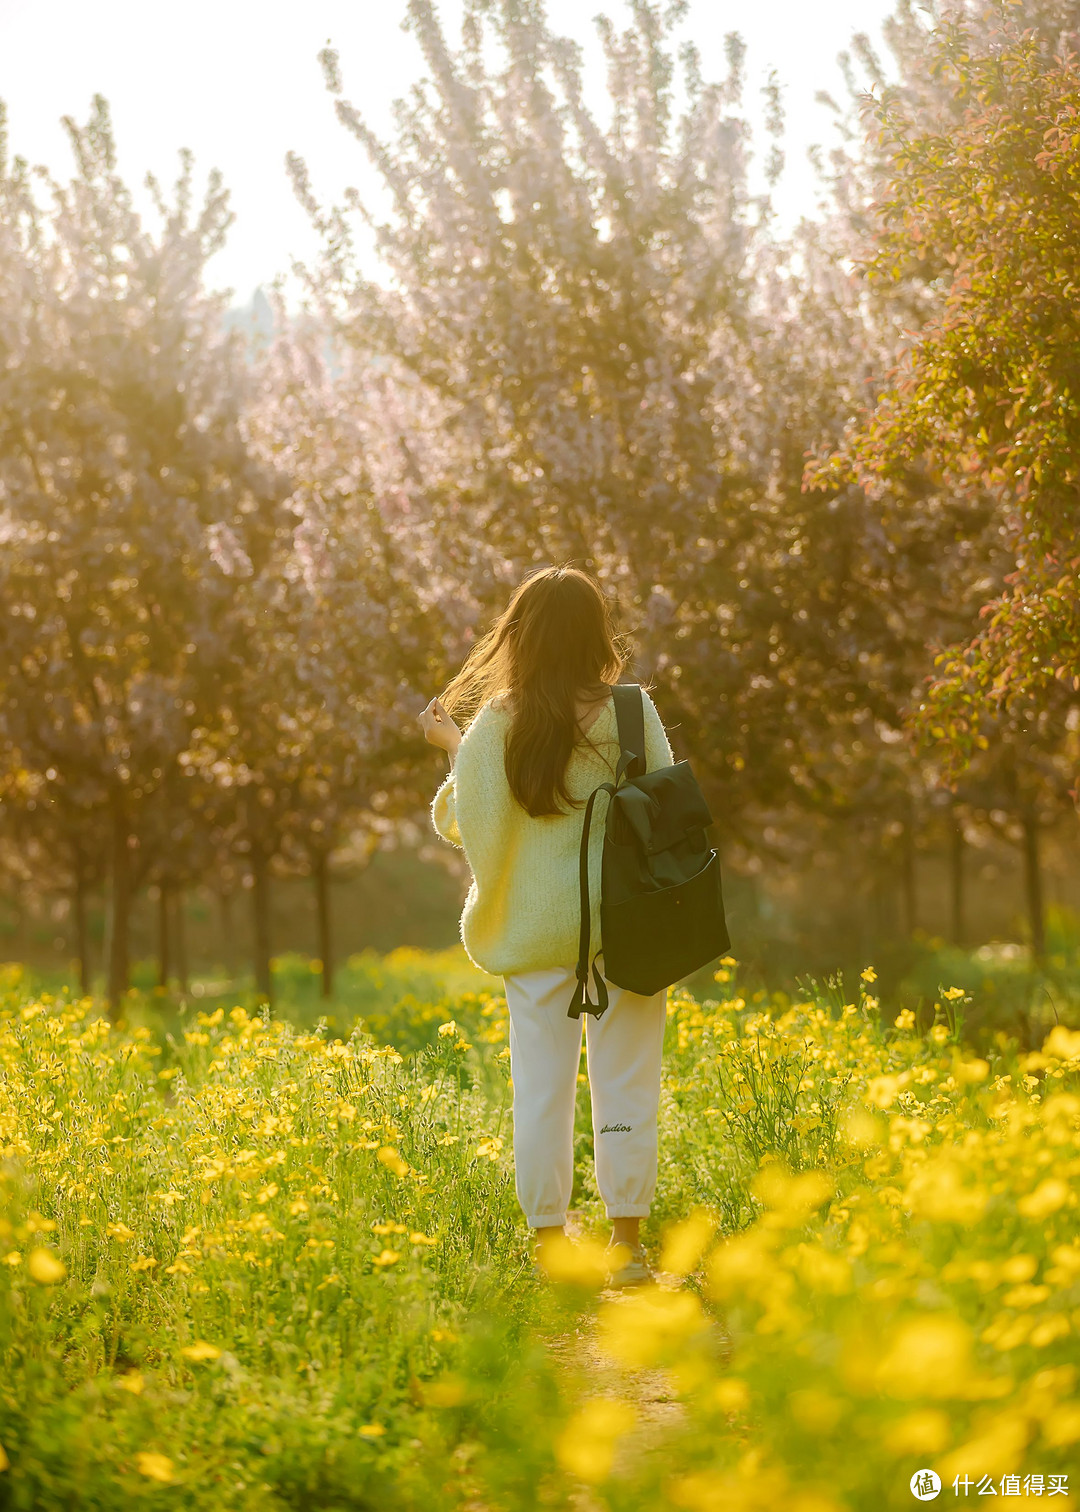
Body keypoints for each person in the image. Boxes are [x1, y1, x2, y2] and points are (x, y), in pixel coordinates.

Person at [418, 564, 674, 1286]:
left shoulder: (500, 721)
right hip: (626, 927)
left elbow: (470, 825)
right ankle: (626, 1244)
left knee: (540, 1088)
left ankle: (550, 1246)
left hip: (536, 932)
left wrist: (454, 750)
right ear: (596, 631)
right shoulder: (633, 712)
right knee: (628, 1078)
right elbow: (667, 810)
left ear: (520, 636)